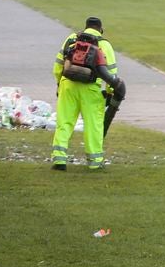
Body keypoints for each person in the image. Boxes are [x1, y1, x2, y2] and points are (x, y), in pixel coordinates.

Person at [51, 16, 119, 171]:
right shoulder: (104, 44)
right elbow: (112, 74)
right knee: (93, 125)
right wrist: (110, 93)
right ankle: (95, 162)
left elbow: (57, 66)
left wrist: (59, 84)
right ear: (100, 29)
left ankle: (59, 160)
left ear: (85, 26)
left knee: (64, 122)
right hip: (91, 89)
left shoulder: (71, 38)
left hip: (67, 86)